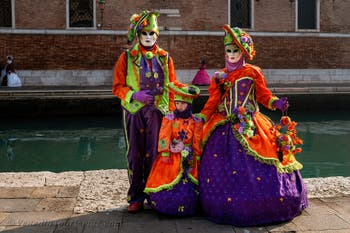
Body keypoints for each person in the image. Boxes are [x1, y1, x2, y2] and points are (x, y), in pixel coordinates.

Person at [197, 25, 308, 227]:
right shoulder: (219, 76)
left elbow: (264, 96)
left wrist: (276, 103)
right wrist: (202, 117)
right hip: (224, 124)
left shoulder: (252, 72)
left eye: (235, 50)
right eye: (228, 51)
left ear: (243, 52)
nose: (231, 55)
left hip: (251, 123)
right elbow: (213, 102)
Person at [112, 10, 183, 213]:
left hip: (157, 113)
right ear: (138, 36)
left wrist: (173, 111)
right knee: (134, 154)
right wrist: (134, 95)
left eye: (152, 34)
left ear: (157, 35)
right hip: (134, 112)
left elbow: (171, 85)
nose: (148, 38)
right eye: (144, 34)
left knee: (156, 153)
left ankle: (154, 194)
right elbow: (117, 87)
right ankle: (136, 196)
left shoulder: (165, 57)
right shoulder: (126, 58)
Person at [144, 83, 202, 217]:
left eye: (182, 103)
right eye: (177, 103)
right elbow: (164, 136)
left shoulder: (196, 121)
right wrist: (165, 153)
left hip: (189, 157)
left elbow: (197, 140)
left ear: (189, 104)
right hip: (171, 155)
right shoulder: (169, 118)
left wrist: (197, 156)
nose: (179, 106)